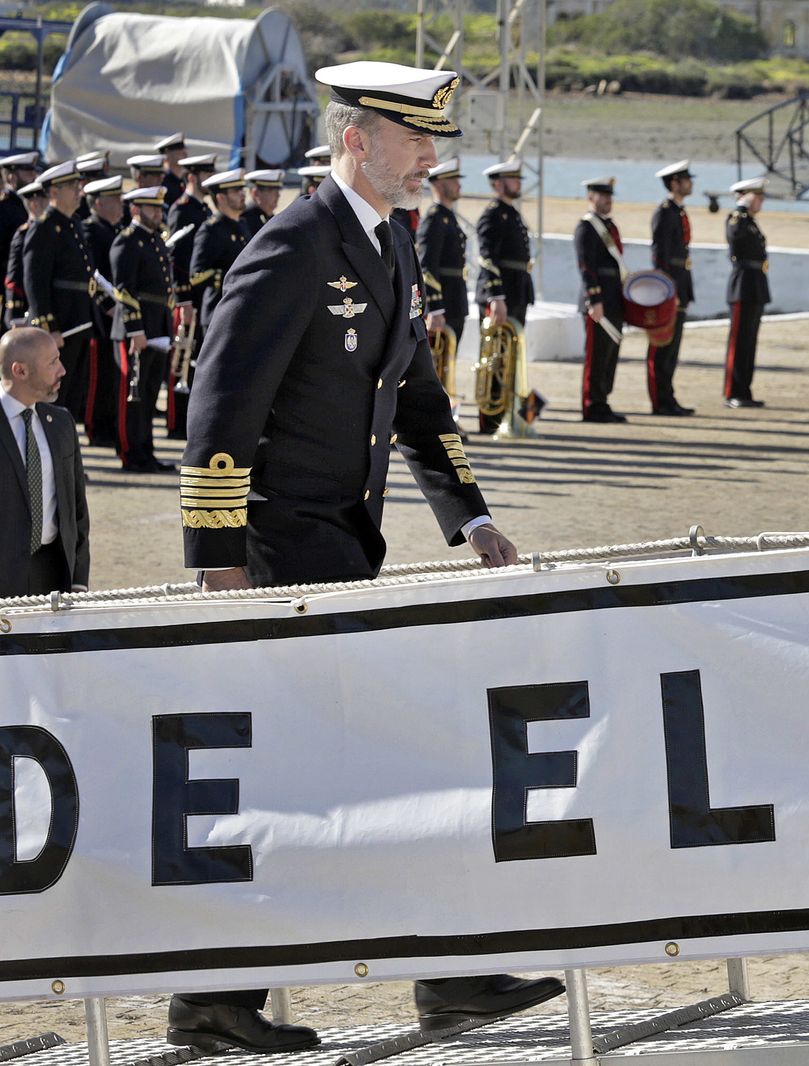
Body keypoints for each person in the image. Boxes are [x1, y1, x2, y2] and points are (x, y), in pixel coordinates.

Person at [172, 60, 564, 1052]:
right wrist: (218, 561)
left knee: (354, 763)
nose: (431, 155)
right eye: (413, 138)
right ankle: (223, 998)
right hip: (281, 552)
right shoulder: (295, 244)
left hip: (344, 545)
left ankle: (438, 975)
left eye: (433, 139)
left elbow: (416, 399)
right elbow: (220, 403)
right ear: (355, 140)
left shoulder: (392, 241)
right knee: (324, 769)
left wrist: (470, 517)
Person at [0, 326, 88, 598]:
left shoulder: (61, 422)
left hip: (52, 577)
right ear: (20, 371)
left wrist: (78, 580)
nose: (62, 370)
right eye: (52, 363)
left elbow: (77, 509)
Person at [22, 160, 98, 424]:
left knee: (74, 393)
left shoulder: (73, 224)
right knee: (53, 395)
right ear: (53, 192)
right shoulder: (44, 227)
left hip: (79, 318)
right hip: (60, 326)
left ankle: (67, 459)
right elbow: (35, 281)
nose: (80, 191)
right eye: (72, 186)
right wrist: (49, 325)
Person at [109, 185, 176, 473]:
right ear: (135, 210)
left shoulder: (154, 241)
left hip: (157, 324)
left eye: (160, 208)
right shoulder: (127, 241)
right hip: (135, 330)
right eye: (152, 208)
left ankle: (146, 451)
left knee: (149, 395)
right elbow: (124, 291)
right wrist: (135, 329)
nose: (158, 213)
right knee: (132, 396)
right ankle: (130, 453)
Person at [475, 158, 535, 432]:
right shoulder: (493, 214)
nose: (518, 184)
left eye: (519, 179)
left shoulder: (510, 213)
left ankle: (509, 412)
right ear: (498, 184)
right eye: (513, 179)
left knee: (511, 357)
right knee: (496, 358)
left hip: (517, 290)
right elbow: (487, 258)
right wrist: (495, 296)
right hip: (502, 293)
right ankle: (492, 418)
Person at [165, 154, 214, 438]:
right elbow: (176, 258)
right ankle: (175, 421)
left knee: (195, 360)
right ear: (192, 176)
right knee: (181, 360)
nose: (210, 178)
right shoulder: (182, 210)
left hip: (201, 297)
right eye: (205, 173)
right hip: (188, 300)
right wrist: (183, 300)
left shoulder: (203, 210)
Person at [419, 157, 468, 425]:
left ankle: (445, 417)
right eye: (453, 180)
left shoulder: (448, 218)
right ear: (438, 184)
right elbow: (427, 267)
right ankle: (436, 419)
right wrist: (435, 308)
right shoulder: (435, 219)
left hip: (455, 301)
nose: (458, 185)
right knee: (438, 367)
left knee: (447, 365)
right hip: (444, 305)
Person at [575, 175, 626, 422]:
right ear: (591, 197)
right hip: (598, 301)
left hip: (614, 297)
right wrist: (594, 299)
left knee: (609, 355)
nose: (607, 200)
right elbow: (586, 266)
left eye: (609, 196)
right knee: (596, 355)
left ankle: (602, 400)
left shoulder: (610, 226)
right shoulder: (587, 227)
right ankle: (592, 405)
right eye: (602, 196)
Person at [648, 160, 695, 415]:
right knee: (662, 346)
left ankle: (669, 397)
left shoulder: (677, 211)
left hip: (682, 282)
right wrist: (667, 290)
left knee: (673, 347)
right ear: (675, 183)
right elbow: (660, 255)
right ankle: (660, 400)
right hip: (671, 287)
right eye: (686, 179)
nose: (691, 184)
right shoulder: (664, 212)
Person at [82, 173, 126, 447]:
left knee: (112, 376)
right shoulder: (90, 231)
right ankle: (96, 427)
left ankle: (109, 424)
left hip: (118, 313)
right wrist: (108, 306)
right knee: (98, 378)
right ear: (98, 203)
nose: (120, 204)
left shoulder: (114, 230)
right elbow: (92, 276)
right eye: (114, 199)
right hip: (101, 315)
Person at [724, 176, 769, 408]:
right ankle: (733, 391)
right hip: (742, 286)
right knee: (739, 341)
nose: (761, 202)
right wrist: (741, 205)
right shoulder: (737, 218)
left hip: (756, 286)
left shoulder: (750, 221)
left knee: (749, 342)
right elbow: (735, 236)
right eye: (757, 197)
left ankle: (745, 390)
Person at [190, 169, 250, 334]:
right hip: (218, 314)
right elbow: (196, 276)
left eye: (242, 189)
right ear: (220, 197)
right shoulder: (211, 230)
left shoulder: (243, 226)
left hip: (242, 312)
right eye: (236, 191)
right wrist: (237, 277)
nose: (242, 194)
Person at [5, 181, 46, 326]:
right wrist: (14, 315)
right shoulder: (25, 234)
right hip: (29, 310)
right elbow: (14, 277)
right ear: (35, 205)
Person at [0, 150, 39, 272]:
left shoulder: (28, 204)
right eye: (27, 172)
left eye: (33, 171)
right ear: (11, 178)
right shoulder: (4, 206)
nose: (33, 176)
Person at [240, 169, 284, 238]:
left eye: (278, 190)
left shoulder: (271, 217)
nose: (278, 195)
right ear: (255, 193)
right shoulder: (245, 220)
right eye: (272, 190)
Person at [156, 132, 186, 206]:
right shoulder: (162, 182)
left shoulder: (183, 181)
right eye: (179, 150)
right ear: (167, 154)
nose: (185, 153)